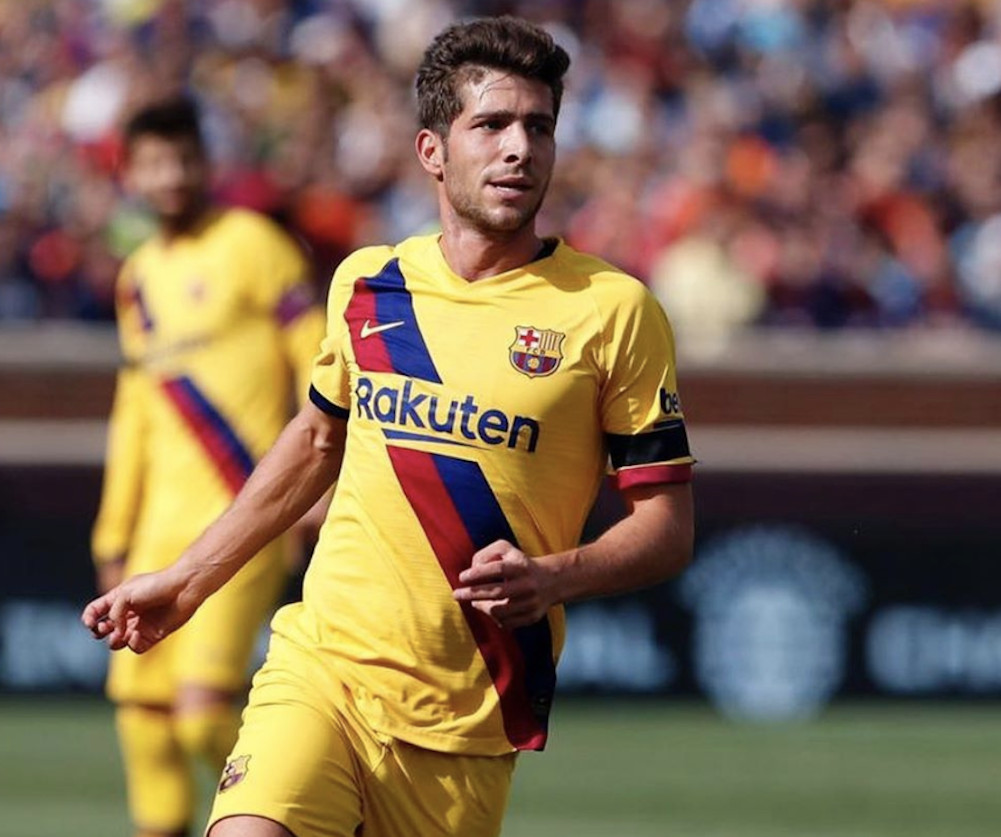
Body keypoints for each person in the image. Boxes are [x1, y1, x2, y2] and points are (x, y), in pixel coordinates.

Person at [84, 17, 695, 837]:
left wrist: (553, 576)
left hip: (466, 718)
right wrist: (186, 581)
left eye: (538, 126)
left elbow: (665, 526)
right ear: (431, 151)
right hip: (321, 668)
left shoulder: (613, 311)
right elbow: (313, 443)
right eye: (491, 124)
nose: (519, 147)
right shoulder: (368, 285)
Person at [89, 96, 325, 837]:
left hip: (241, 516)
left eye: (184, 160)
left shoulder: (256, 243)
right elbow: (134, 415)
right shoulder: (138, 278)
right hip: (156, 528)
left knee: (200, 719)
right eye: (155, 164)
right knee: (144, 726)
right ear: (130, 174)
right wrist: (111, 536)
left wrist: (317, 482)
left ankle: (314, 811)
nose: (172, 178)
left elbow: (320, 360)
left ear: (206, 163)